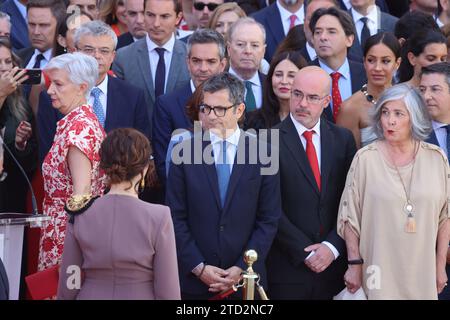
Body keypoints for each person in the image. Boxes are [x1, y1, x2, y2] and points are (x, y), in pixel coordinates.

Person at [166, 72, 282, 299]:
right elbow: (174, 217)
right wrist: (199, 267)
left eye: (219, 109)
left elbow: (268, 219)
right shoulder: (183, 153)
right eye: (205, 108)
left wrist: (241, 268)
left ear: (239, 110)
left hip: (246, 282)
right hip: (195, 284)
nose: (210, 116)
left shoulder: (265, 153)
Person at [338, 83, 450, 299]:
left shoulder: (437, 158)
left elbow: (445, 217)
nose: (390, 120)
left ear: (414, 117)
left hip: (422, 271)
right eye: (385, 113)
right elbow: (349, 218)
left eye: (399, 114)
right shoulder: (365, 159)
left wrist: (440, 266)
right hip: (377, 270)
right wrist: (354, 264)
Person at [266, 66, 357, 300]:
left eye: (312, 97)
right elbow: (268, 207)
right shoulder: (266, 141)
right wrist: (304, 252)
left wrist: (332, 247)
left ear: (327, 101)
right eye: (297, 94)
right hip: (287, 269)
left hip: (334, 268)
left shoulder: (343, 139)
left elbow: (350, 201)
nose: (302, 103)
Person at [57, 128, 180, 300]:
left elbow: (71, 279)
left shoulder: (80, 214)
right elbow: (168, 289)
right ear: (144, 169)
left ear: (103, 168)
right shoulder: (159, 216)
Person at [38, 20, 150, 163]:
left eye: (104, 51)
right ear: (75, 52)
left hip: (119, 180)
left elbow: (140, 149)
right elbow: (48, 154)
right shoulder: (51, 97)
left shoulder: (133, 96)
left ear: (113, 56)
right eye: (89, 50)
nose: (96, 56)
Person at [38, 52, 106, 271]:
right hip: (60, 232)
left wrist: (74, 254)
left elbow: (82, 195)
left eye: (58, 84)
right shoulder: (75, 122)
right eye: (50, 83)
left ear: (81, 87)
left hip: (67, 238)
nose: (50, 90)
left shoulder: (79, 129)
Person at [152, 28, 226, 185]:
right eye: (196, 61)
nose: (203, 68)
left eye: (211, 62)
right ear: (188, 62)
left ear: (222, 64)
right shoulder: (166, 105)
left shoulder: (235, 102)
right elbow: (164, 165)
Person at [113, 0, 190, 128]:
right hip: (137, 142)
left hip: (181, 140)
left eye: (164, 16)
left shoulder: (192, 56)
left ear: (178, 18)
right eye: (150, 15)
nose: (156, 24)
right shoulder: (123, 57)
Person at [337, 32, 401, 148]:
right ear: (364, 62)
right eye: (371, 60)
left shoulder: (407, 100)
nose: (377, 68)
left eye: (385, 61)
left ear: (397, 63)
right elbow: (348, 161)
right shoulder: (350, 108)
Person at [419, 62, 450, 300]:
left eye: (435, 89)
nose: (427, 96)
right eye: (422, 90)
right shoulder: (410, 137)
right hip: (425, 254)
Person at [309, 7, 367, 123]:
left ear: (349, 39)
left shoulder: (366, 74)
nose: (323, 37)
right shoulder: (303, 74)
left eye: (331, 31)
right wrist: (268, 141)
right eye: (318, 32)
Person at [0, 37, 37, 213]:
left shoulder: (20, 103)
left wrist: (20, 145)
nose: (4, 67)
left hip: (12, 197)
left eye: (8, 61)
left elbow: (30, 163)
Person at [246, 51, 307, 130]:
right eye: (278, 75)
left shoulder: (311, 121)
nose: (284, 81)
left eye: (291, 76)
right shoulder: (253, 121)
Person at [227, 17, 266, 111]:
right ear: (228, 48)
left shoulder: (272, 86)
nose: (248, 51)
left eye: (255, 45)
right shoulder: (212, 85)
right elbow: (197, 122)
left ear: (263, 51)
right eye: (240, 44)